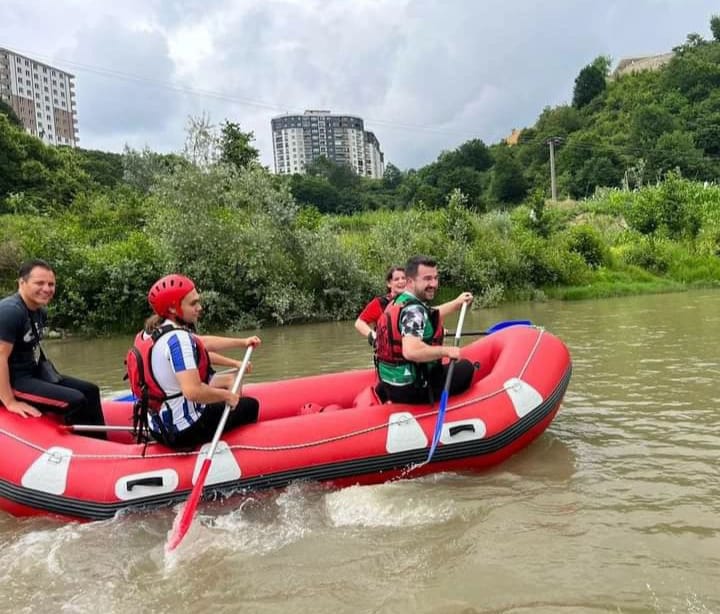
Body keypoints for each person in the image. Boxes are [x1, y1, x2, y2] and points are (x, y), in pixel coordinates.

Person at [126, 274, 261, 449]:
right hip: (184, 431)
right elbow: (193, 391)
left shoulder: (151, 333)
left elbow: (203, 344)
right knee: (250, 406)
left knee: (221, 388)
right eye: (193, 304)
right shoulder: (178, 339)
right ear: (173, 308)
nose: (199, 307)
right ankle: (240, 449)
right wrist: (228, 397)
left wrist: (242, 343)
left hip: (157, 428)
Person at [0, 259, 106, 437]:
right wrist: (10, 401)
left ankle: (103, 443)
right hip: (14, 382)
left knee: (91, 390)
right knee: (75, 399)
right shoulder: (10, 311)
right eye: (39, 283)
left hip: (32, 374)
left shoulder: (39, 312)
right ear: (22, 282)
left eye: (51, 284)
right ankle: (83, 450)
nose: (47, 289)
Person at [374, 255, 475, 405]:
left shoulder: (398, 301)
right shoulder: (414, 310)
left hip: (391, 383)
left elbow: (429, 313)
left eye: (435, 278)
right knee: (466, 367)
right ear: (410, 281)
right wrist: (446, 351)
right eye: (427, 279)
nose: (433, 284)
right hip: (413, 388)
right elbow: (411, 351)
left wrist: (456, 303)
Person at [354, 266, 406, 345]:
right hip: (387, 353)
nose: (401, 281)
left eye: (403, 278)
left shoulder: (415, 301)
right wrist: (373, 336)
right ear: (389, 284)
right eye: (396, 279)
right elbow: (359, 323)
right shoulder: (379, 303)